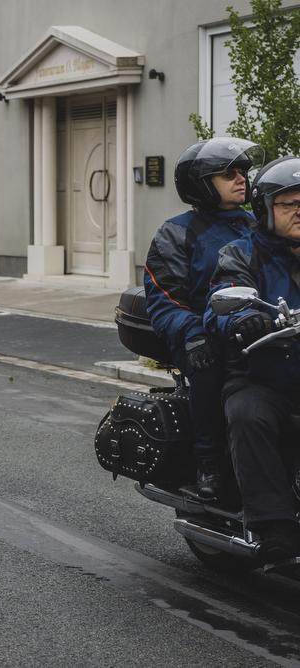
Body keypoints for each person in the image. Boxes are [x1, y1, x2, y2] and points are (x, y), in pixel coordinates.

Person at [145, 137, 263, 501]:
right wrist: (193, 334)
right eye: (228, 173)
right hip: (204, 334)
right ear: (201, 182)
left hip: (259, 327)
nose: (241, 178)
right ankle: (209, 461)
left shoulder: (259, 225)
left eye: (242, 171)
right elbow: (163, 299)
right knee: (212, 365)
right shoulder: (176, 233)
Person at [205, 156, 300, 564]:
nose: (299, 211)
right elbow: (222, 300)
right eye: (287, 204)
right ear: (265, 209)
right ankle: (275, 526)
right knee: (249, 413)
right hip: (262, 376)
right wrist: (246, 320)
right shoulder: (241, 253)